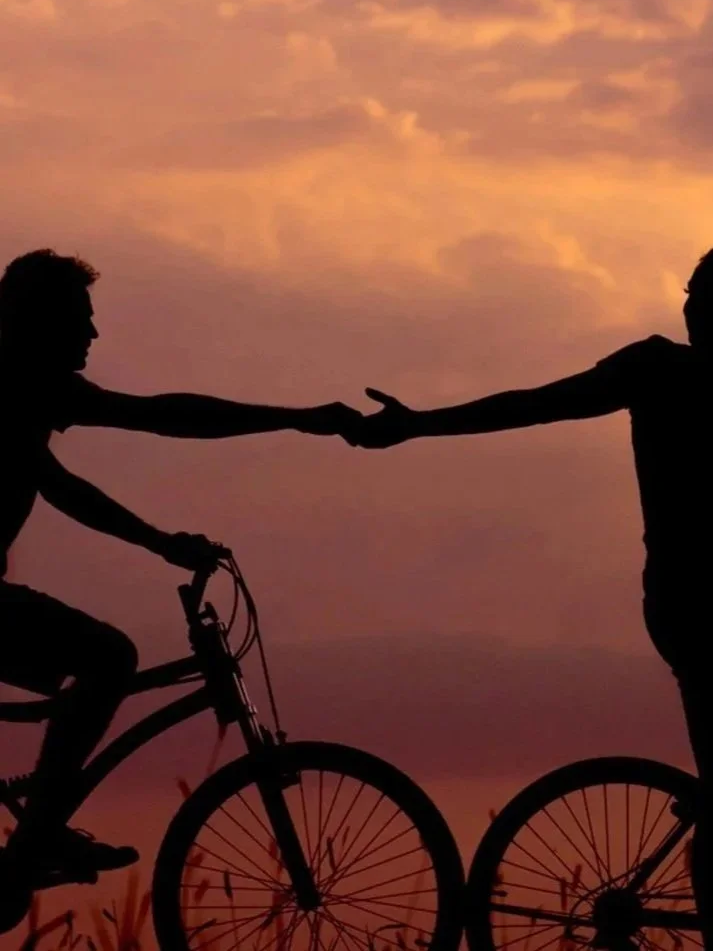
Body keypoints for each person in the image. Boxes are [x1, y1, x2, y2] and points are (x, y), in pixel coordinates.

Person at [347, 248, 713, 950]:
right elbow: (537, 405)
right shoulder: (658, 369)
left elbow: (535, 405)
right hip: (695, 608)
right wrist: (422, 422)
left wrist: (420, 423)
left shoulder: (656, 369)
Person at [0, 248, 361, 882]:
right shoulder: (16, 381)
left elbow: (70, 477)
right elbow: (159, 420)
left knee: (95, 662)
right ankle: (38, 838)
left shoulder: (24, 389)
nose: (93, 333)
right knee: (107, 658)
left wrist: (161, 541)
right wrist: (298, 420)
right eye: (79, 318)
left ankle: (36, 836)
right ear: (38, 321)